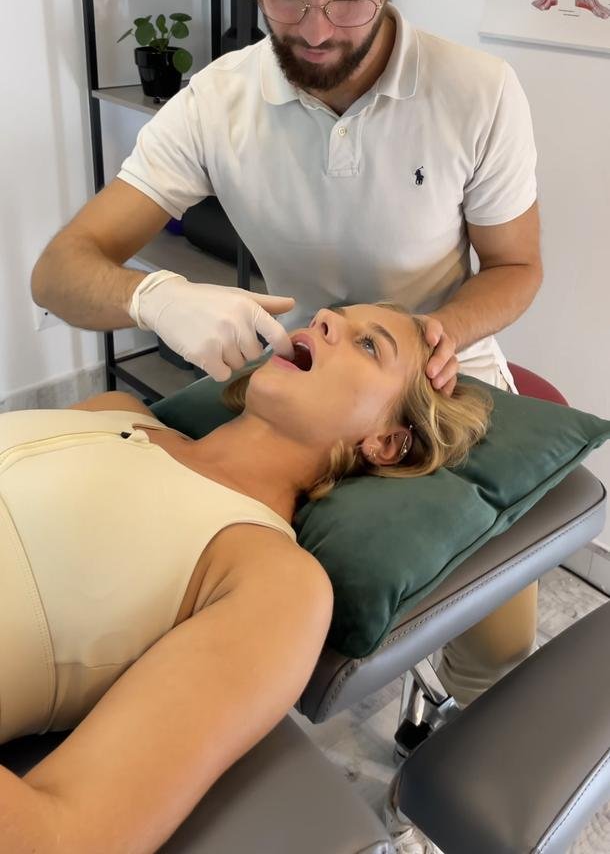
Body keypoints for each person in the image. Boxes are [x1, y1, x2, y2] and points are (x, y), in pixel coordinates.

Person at [30, 0, 542, 848]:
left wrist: (440, 331)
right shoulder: (213, 103)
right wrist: (157, 296)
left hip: (442, 370)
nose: (314, 29)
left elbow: (517, 267)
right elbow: (62, 269)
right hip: (296, 361)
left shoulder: (478, 93)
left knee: (499, 641)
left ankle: (459, 747)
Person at [0, 302, 491, 853]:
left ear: (385, 441)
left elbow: (60, 838)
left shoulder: (275, 581)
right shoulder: (116, 410)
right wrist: (151, 297)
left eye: (369, 344)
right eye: (334, 316)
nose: (323, 318)